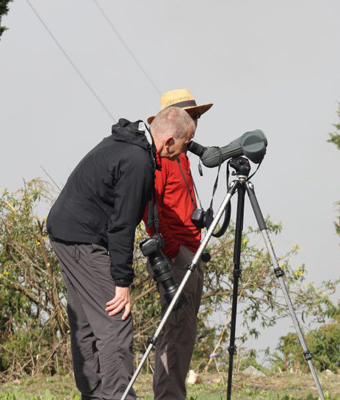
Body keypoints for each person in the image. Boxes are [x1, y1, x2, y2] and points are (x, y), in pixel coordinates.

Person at [47, 107, 196, 400]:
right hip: (83, 239)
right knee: (116, 320)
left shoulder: (129, 143)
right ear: (168, 141)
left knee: (89, 323)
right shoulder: (138, 161)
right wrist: (121, 282)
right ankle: (118, 395)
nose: (184, 151)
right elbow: (122, 226)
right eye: (185, 144)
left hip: (67, 232)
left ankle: (96, 395)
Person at [144, 89, 212, 399]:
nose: (196, 122)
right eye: (192, 115)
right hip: (177, 255)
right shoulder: (162, 156)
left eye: (196, 116)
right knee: (175, 331)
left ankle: (173, 394)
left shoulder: (181, 155)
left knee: (184, 331)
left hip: (189, 252)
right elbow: (151, 210)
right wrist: (173, 250)